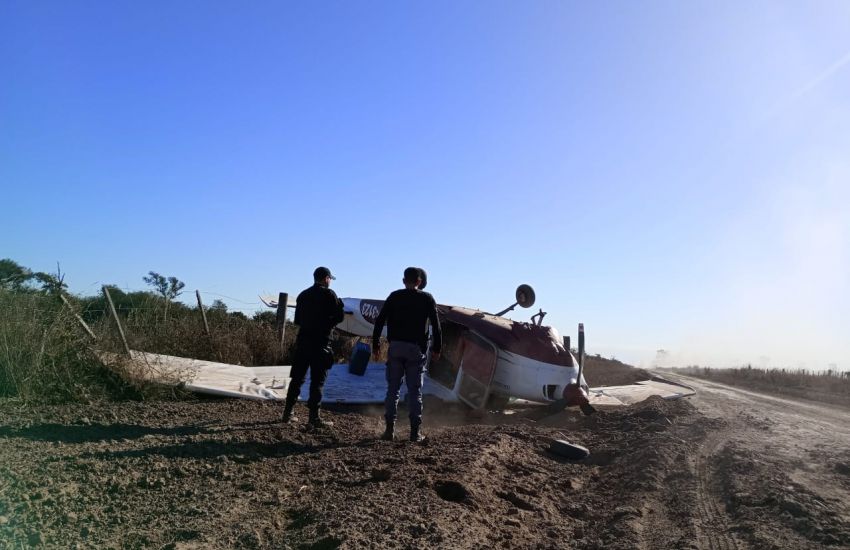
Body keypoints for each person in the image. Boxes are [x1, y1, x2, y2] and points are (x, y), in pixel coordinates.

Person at [371, 267, 442, 442]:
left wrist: (375, 344)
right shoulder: (427, 298)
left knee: (392, 390)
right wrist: (437, 348)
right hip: (415, 349)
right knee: (414, 391)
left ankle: (389, 431)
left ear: (404, 281)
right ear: (419, 282)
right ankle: (414, 433)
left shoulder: (394, 296)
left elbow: (380, 320)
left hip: (395, 347)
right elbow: (436, 325)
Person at [282, 266, 344, 429]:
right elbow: (339, 318)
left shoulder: (303, 295)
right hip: (321, 343)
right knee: (317, 381)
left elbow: (298, 321)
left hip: (303, 341)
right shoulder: (329, 294)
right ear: (326, 279)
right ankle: (313, 418)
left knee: (297, 379)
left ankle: (287, 413)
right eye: (330, 279)